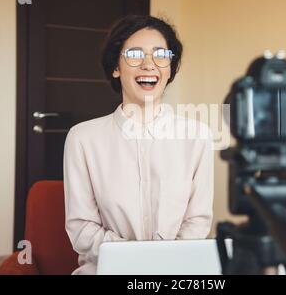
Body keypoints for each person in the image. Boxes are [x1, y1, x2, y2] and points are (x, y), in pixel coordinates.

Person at [63, 15, 214, 274]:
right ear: (115, 67)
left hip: (176, 272)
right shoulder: (82, 139)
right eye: (134, 54)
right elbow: (82, 228)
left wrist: (162, 264)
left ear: (169, 68)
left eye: (160, 55)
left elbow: (197, 221)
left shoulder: (198, 136)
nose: (148, 65)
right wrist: (139, 260)